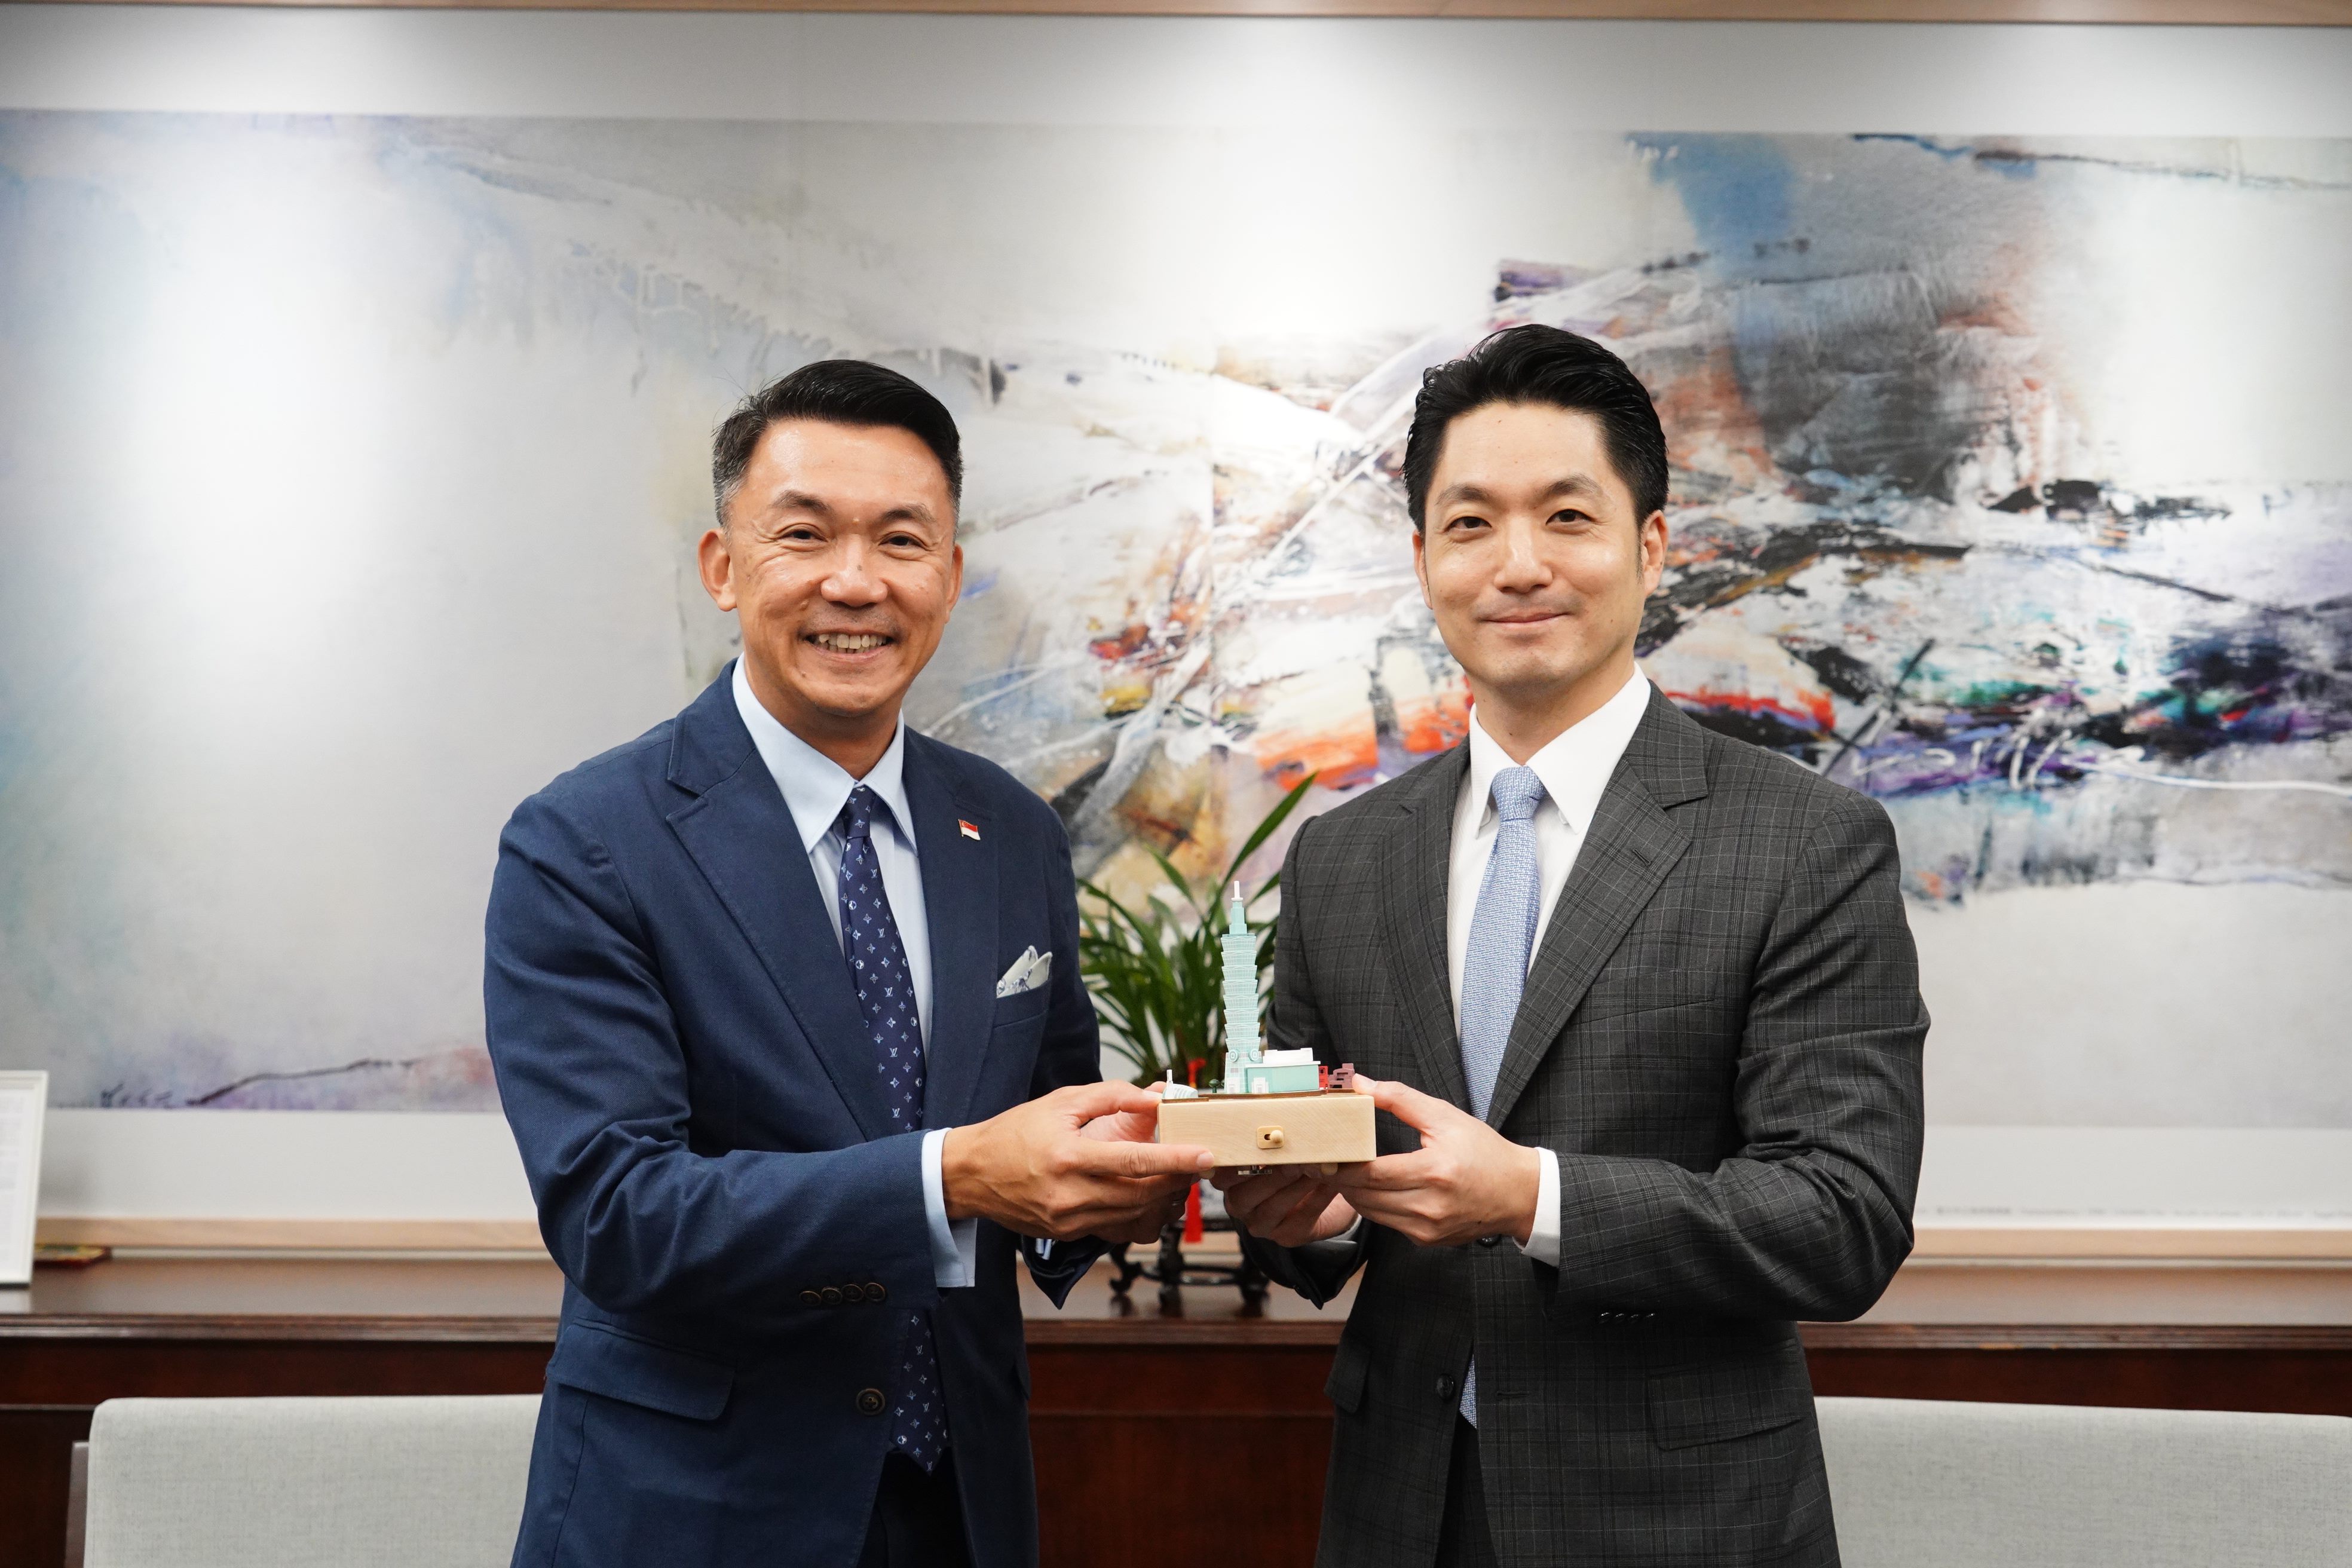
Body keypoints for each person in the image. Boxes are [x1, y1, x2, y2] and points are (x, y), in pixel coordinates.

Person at [1219, 325, 1928, 1567]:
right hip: (1402, 1507)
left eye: (1567, 516)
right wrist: (1301, 1209)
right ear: (1427, 556)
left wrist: (1527, 1196)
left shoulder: (1808, 842)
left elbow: (1840, 1217)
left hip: (1683, 1521)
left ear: (1652, 548)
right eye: (1472, 523)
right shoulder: (1343, 857)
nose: (1520, 564)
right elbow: (1317, 1189)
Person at [485, 360, 1211, 1568]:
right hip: (694, 1513)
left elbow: (1046, 1128)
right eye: (805, 535)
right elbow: (619, 1215)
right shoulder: (586, 840)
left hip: (962, 1504)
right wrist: (957, 1174)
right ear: (724, 568)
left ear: (951, 575)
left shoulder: (1012, 832)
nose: (857, 582)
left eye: (902, 539)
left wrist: (1133, 1182)